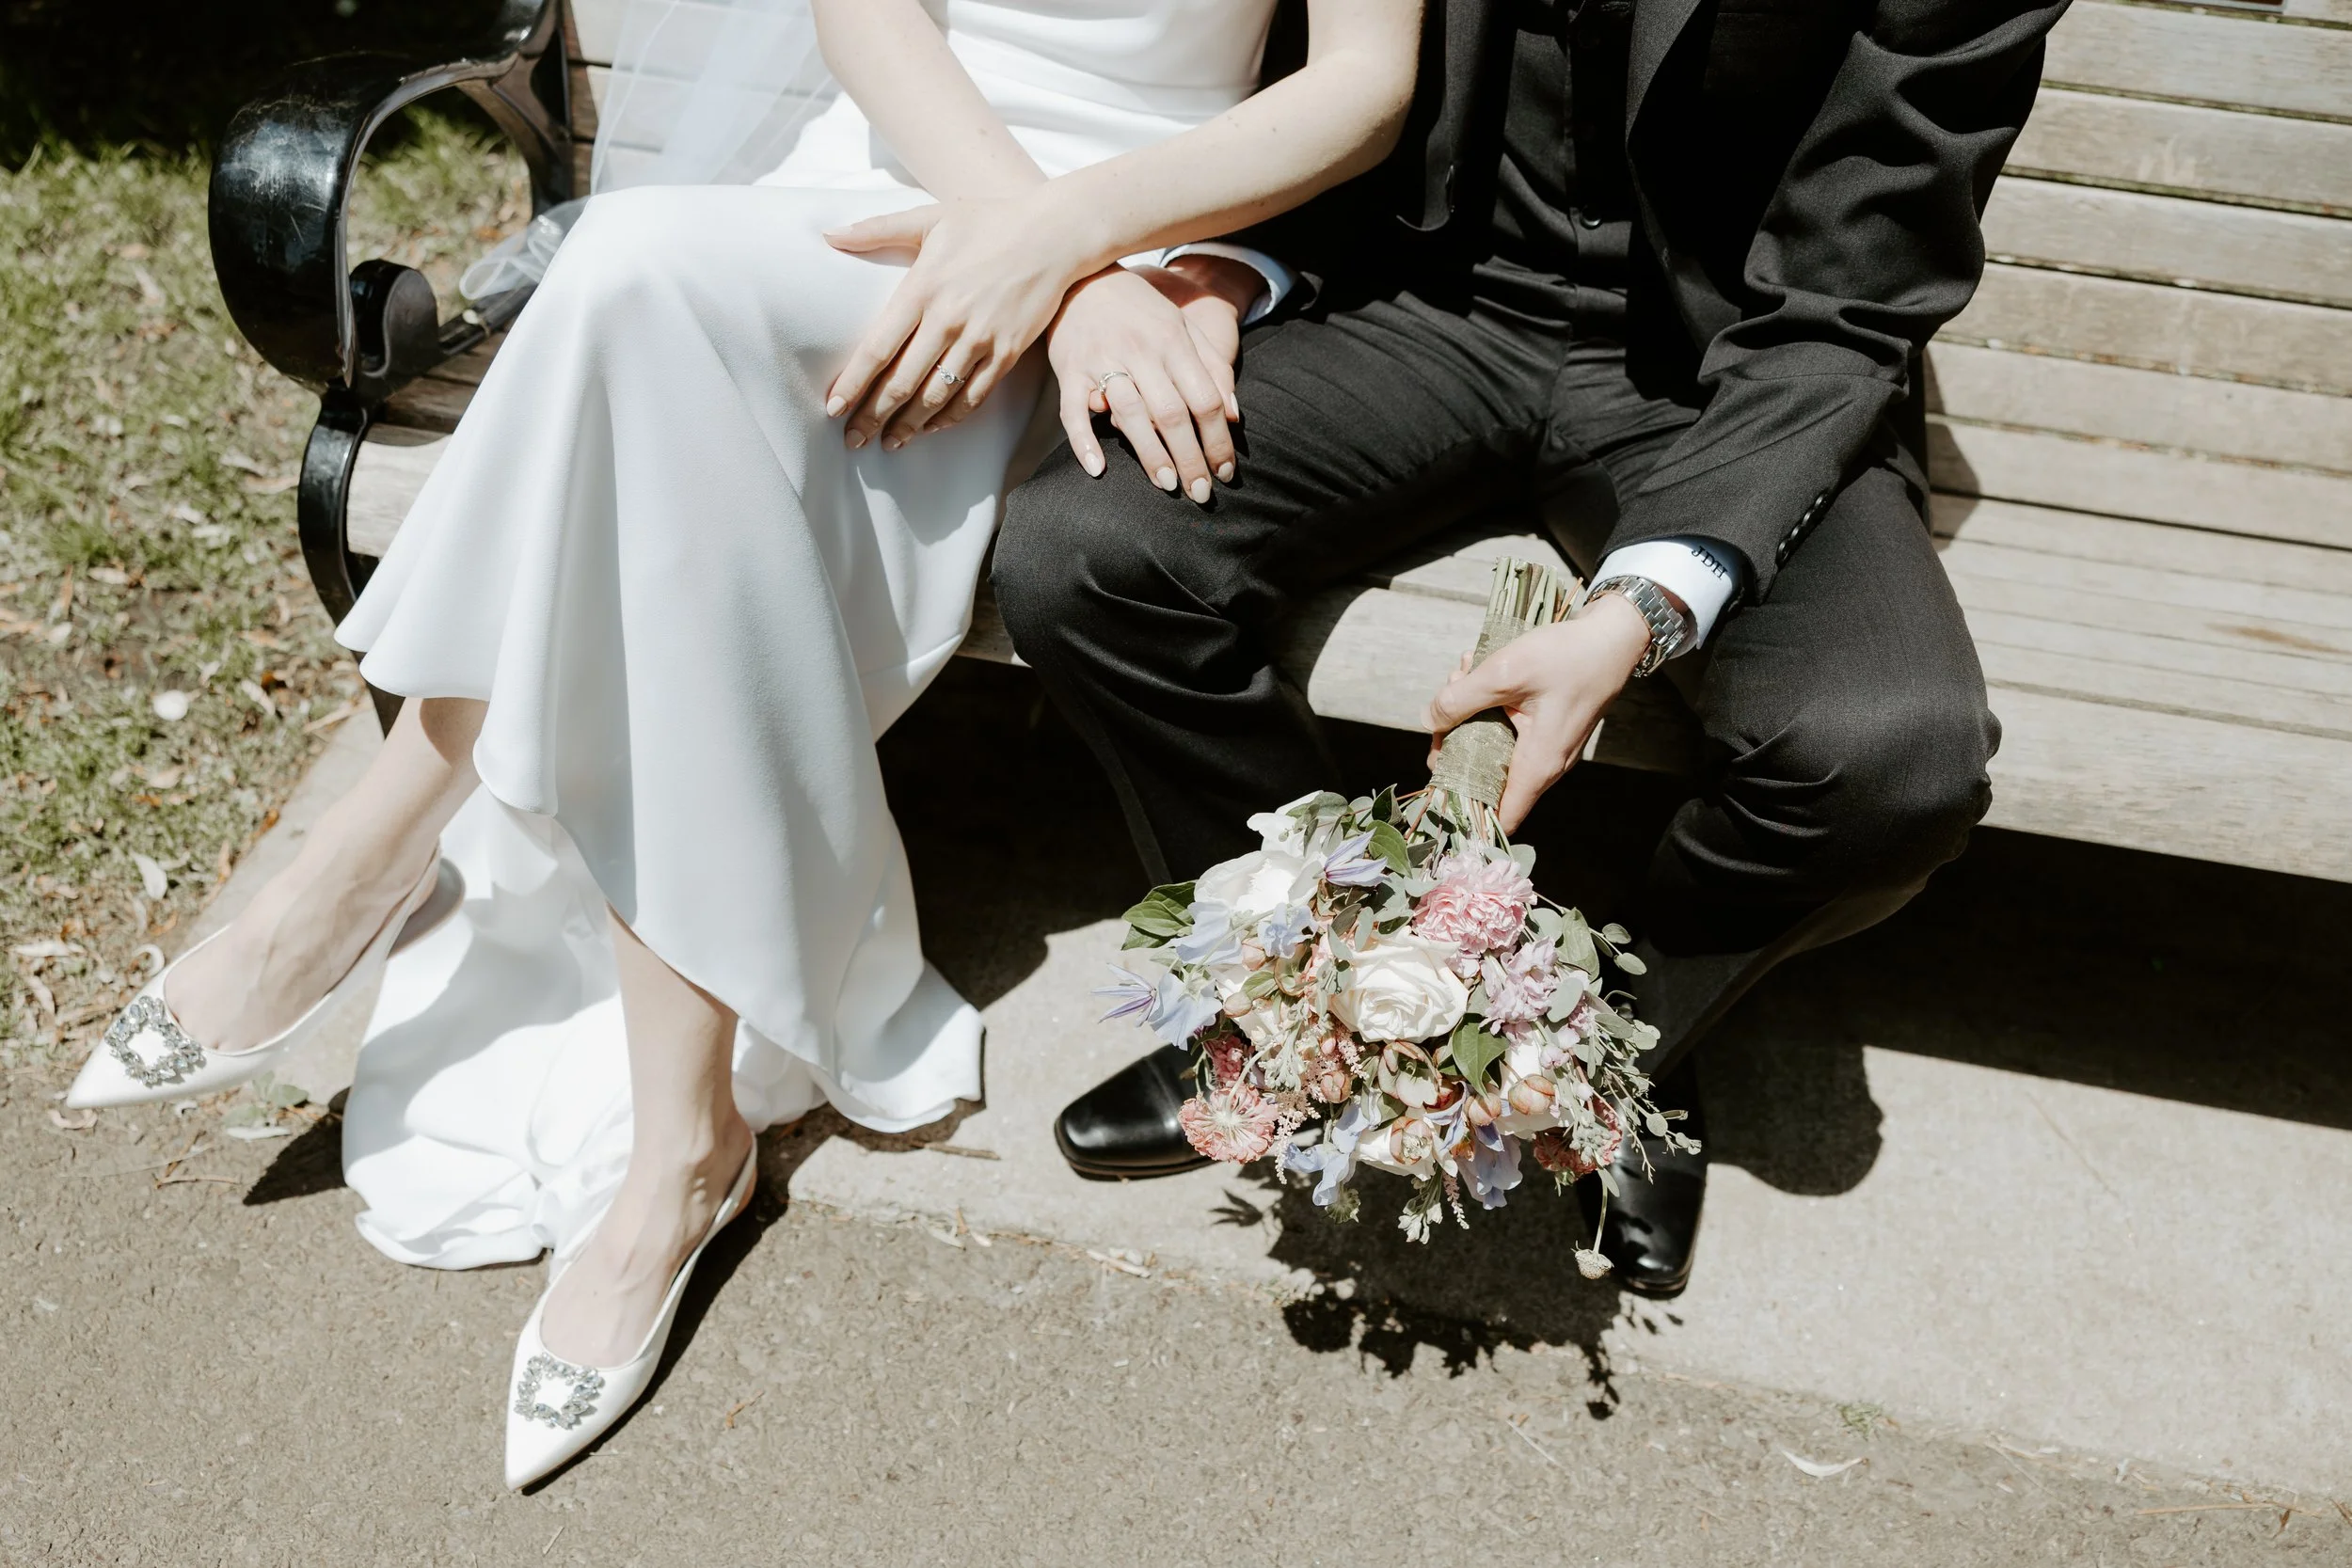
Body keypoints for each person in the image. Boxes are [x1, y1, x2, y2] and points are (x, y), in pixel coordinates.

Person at [72, 0, 1421, 1487]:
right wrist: (1018, 224)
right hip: (885, 190)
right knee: (640, 301)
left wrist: (1080, 257)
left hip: (1127, 262)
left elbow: (1366, 84)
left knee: (639, 296)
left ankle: (391, 885)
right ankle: (672, 1132)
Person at [994, 0, 2067, 1295]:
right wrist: (1224, 270)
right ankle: (1284, 987)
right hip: (1413, 302)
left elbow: (1855, 296)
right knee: (1085, 557)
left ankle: (1616, 1049)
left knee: (1889, 753)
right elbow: (1290, 53)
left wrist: (1643, 611)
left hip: (1737, 363)